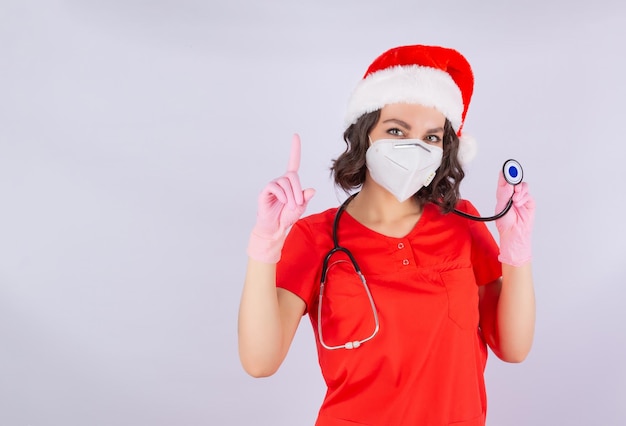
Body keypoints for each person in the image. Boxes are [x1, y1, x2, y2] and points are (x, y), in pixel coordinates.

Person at [238, 44, 536, 426]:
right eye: (396, 130)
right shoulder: (315, 237)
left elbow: (513, 348)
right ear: (365, 135)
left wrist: (517, 251)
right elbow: (260, 361)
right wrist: (265, 245)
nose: (414, 147)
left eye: (431, 137)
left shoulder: (463, 221)